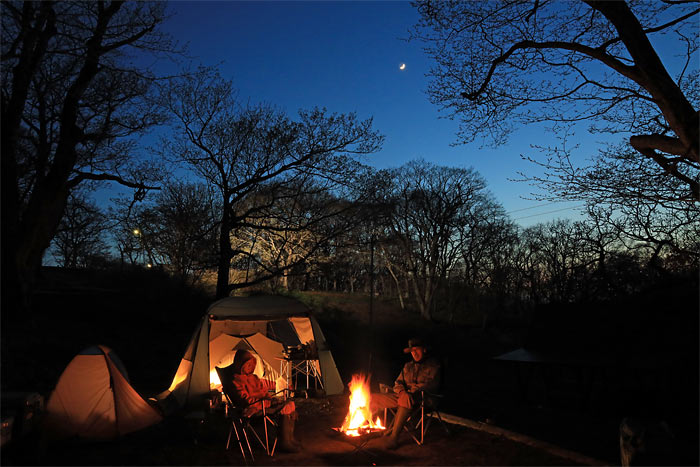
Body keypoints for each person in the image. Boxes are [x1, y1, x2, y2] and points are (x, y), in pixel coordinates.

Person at [371, 337, 441, 449]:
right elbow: (398, 382)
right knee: (373, 398)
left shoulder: (433, 366)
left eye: (417, 350)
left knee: (405, 398)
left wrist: (410, 391)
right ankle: (369, 429)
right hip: (403, 395)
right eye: (412, 351)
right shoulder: (408, 366)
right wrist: (402, 391)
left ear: (424, 350)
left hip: (424, 398)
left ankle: (393, 437)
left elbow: (430, 385)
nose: (414, 353)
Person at [229, 349, 301, 452]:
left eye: (251, 365)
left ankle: (290, 439)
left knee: (290, 404)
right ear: (240, 365)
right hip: (254, 409)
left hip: (264, 404)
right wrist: (268, 403)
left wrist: (272, 399)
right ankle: (285, 442)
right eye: (247, 365)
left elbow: (264, 392)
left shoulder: (254, 378)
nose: (250, 367)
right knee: (284, 408)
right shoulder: (236, 381)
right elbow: (247, 401)